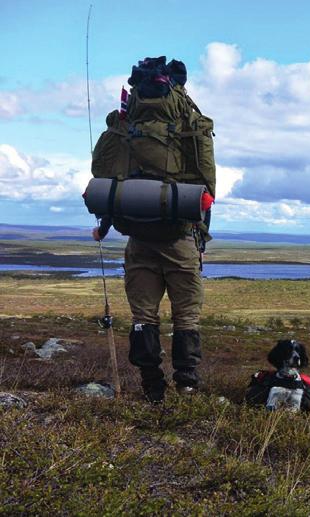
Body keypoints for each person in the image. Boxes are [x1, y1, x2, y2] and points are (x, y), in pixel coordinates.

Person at [90, 57, 215, 404]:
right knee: (186, 314)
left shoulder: (123, 126)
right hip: (180, 238)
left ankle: (151, 386)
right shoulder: (191, 125)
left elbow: (102, 171)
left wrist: (104, 224)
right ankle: (187, 384)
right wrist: (201, 233)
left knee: (143, 315)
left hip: (139, 238)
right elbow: (207, 186)